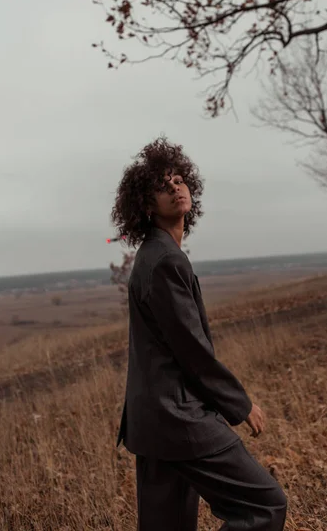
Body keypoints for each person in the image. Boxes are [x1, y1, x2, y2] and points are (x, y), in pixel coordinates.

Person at [112, 136, 288, 530]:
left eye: (178, 180)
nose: (175, 187)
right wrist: (239, 405)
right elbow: (192, 351)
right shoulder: (163, 262)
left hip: (154, 421)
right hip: (178, 418)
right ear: (145, 204)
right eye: (163, 185)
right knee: (264, 506)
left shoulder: (156, 256)